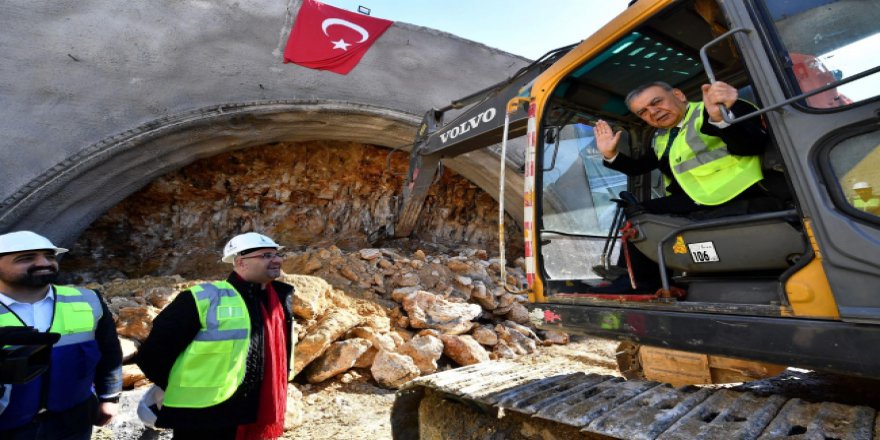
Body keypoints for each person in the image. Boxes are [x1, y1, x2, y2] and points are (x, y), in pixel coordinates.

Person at [593, 81, 774, 292]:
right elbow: (639, 167)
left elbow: (751, 145)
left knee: (639, 216)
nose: (653, 112)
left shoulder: (715, 108)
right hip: (695, 196)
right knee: (638, 212)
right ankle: (648, 280)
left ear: (678, 95)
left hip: (734, 191)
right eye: (643, 112)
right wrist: (610, 154)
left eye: (656, 101)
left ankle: (642, 285)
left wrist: (720, 120)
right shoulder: (661, 137)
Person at [136, 232, 294, 440]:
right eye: (265, 255)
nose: (276, 259)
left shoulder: (280, 301)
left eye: (277, 254)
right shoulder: (205, 298)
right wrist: (173, 385)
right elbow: (153, 354)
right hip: (202, 415)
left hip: (250, 411)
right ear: (240, 262)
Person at [0, 231, 122, 440]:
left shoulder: (87, 300)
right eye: (26, 258)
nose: (44, 262)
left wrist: (109, 397)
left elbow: (109, 351)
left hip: (73, 420)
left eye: (49, 256)